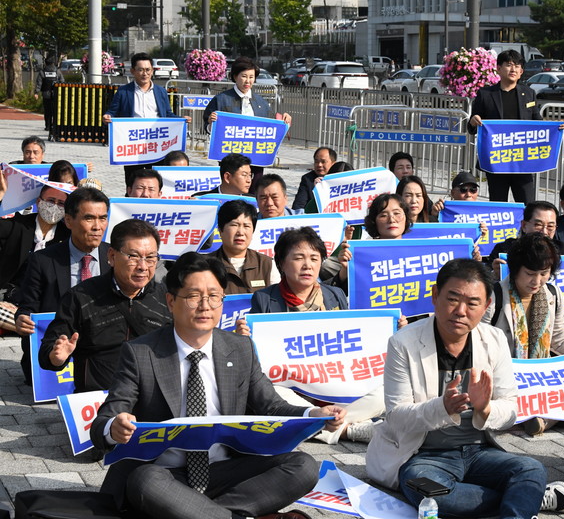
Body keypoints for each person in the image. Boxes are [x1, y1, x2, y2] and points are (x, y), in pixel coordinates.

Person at [90, 252, 345, 519]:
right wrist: (114, 428)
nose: (205, 306)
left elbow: (271, 406)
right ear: (171, 301)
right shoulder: (141, 353)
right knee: (145, 480)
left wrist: (313, 414)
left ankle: (200, 513)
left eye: (214, 296)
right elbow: (103, 422)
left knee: (303, 466)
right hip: (165, 474)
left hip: (224, 471)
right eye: (193, 296)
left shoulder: (240, 348)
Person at [366, 258, 564, 516]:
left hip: (479, 452)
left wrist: (485, 408)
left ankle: (521, 497)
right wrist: (442, 407)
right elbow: (397, 417)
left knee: (531, 469)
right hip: (423, 456)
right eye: (453, 299)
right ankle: (525, 498)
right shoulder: (403, 343)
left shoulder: (494, 339)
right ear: (435, 296)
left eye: (473, 303)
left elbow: (510, 409)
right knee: (430, 493)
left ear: (486, 305)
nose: (460, 311)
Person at [249, 228, 380, 444]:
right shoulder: (264, 299)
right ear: (281, 263)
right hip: (293, 387)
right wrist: (245, 336)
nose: (307, 265)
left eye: (314, 258)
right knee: (271, 392)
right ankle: (347, 430)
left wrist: (392, 327)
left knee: (383, 389)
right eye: (298, 258)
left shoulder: (335, 295)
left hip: (334, 381)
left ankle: (322, 424)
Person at [39, 219, 171, 392]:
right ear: (112, 256)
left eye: (150, 258)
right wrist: (56, 357)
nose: (143, 266)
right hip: (98, 400)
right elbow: (47, 352)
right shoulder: (81, 297)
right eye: (133, 256)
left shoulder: (166, 298)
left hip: (151, 398)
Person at [483, 233, 564, 436]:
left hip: (539, 379)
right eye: (529, 273)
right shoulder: (494, 296)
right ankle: (541, 418)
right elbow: (479, 344)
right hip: (502, 375)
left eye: (544, 273)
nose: (537, 281)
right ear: (515, 269)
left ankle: (536, 418)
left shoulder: (553, 293)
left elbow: (560, 338)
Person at [14, 187, 111, 385]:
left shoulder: (115, 257)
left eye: (102, 218)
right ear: (68, 221)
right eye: (89, 218)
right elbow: (28, 306)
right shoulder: (43, 261)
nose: (97, 226)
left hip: (104, 358)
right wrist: (22, 319)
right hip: (55, 357)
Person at [468, 50, 564, 203]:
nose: (513, 69)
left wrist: (555, 127)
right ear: (498, 68)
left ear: (521, 71)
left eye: (517, 66)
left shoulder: (529, 93)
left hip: (523, 161)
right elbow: (471, 127)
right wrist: (474, 121)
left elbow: (537, 123)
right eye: (509, 65)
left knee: (528, 205)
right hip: (497, 161)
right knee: (499, 204)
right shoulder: (485, 94)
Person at [203, 56, 292, 195]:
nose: (248, 81)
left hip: (256, 158)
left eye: (251, 77)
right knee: (232, 191)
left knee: (254, 192)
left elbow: (271, 126)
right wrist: (211, 124)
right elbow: (207, 128)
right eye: (244, 76)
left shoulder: (261, 102)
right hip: (231, 158)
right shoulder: (221, 100)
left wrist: (284, 121)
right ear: (235, 76)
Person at [102, 52, 190, 184]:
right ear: (133, 71)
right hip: (133, 146)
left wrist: (181, 120)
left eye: (148, 70)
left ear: (152, 71)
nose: (145, 73)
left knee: (157, 180)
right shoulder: (123, 92)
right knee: (133, 181)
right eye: (141, 70)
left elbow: (168, 114)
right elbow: (112, 112)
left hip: (156, 145)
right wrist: (107, 117)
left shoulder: (160, 92)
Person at [0, 182, 70, 333]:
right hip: (8, 296)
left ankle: (28, 326)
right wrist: (1, 196)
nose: (54, 207)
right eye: (50, 201)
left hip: (43, 304)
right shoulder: (19, 225)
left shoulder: (67, 236)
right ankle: (31, 326)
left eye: (61, 203)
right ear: (39, 202)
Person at [208, 199, 278, 294]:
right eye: (234, 225)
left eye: (246, 226)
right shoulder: (205, 265)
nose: (240, 232)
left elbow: (276, 299)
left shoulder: (266, 264)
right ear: (220, 230)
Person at [488, 199, 559, 268]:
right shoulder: (504, 250)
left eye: (550, 226)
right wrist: (495, 273)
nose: (544, 232)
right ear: (524, 225)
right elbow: (487, 273)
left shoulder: (561, 250)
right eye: (538, 225)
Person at [34, 56, 64, 132]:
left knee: (47, 111)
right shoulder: (57, 71)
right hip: (56, 94)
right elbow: (62, 82)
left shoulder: (42, 72)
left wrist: (36, 92)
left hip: (46, 94)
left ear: (46, 63)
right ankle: (55, 125)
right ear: (53, 63)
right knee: (56, 111)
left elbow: (39, 83)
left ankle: (48, 126)